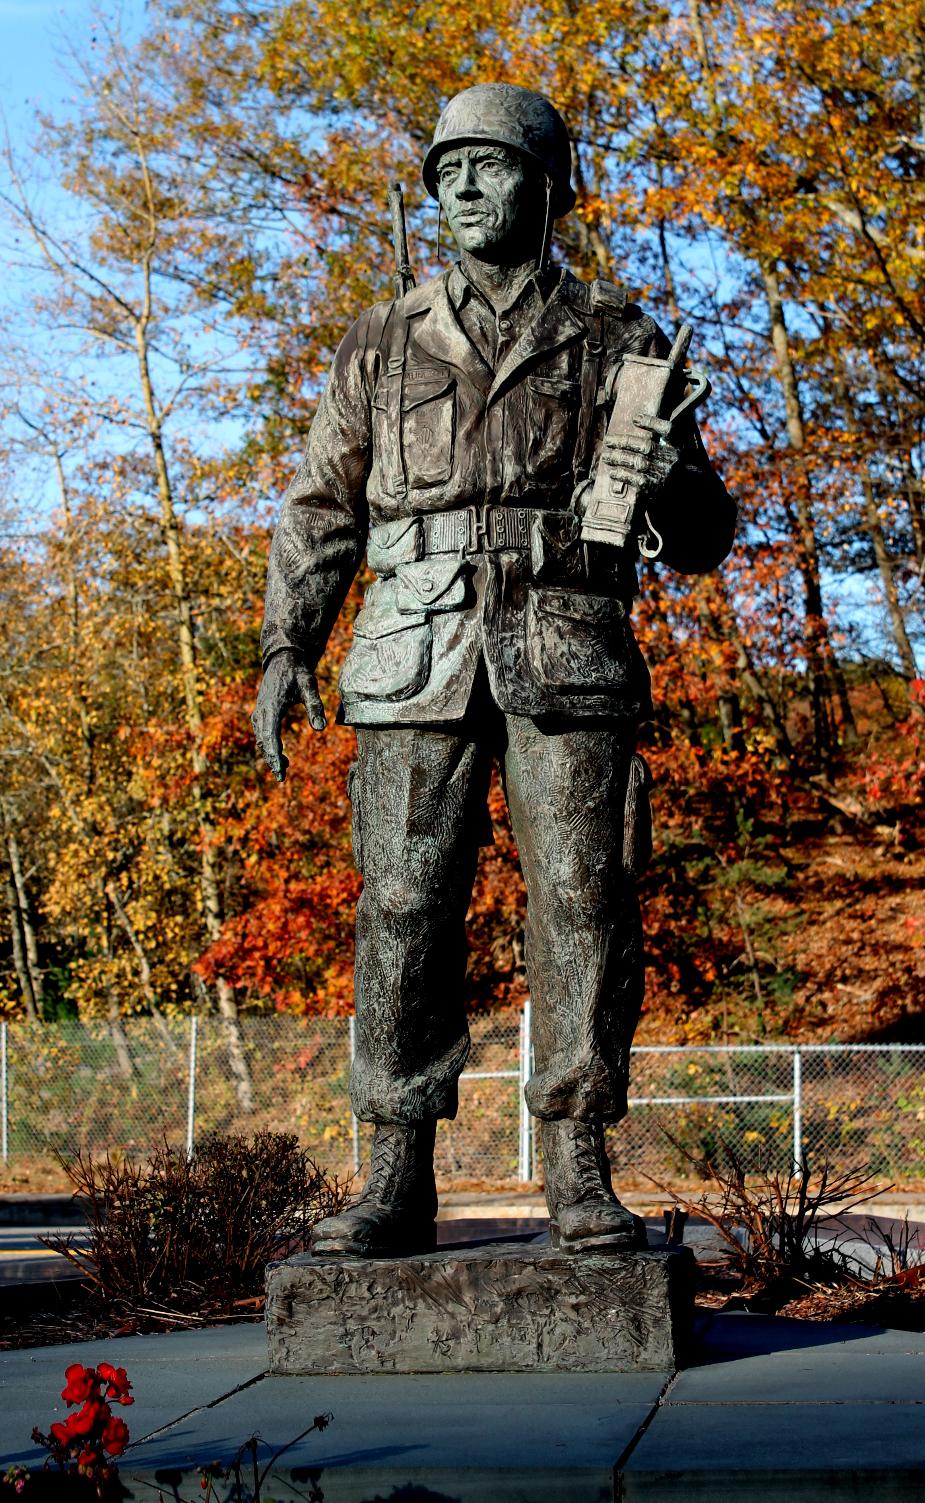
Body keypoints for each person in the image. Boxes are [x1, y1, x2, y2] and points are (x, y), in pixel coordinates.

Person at [252, 83, 735, 1257]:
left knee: (581, 900)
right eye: (445, 170)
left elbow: (709, 534)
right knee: (404, 908)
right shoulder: (380, 337)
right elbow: (319, 504)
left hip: (565, 648)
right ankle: (394, 1170)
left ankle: (576, 1162)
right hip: (411, 648)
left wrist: (669, 474)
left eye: (490, 164)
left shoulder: (621, 339)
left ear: (550, 183)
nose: (463, 188)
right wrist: (285, 644)